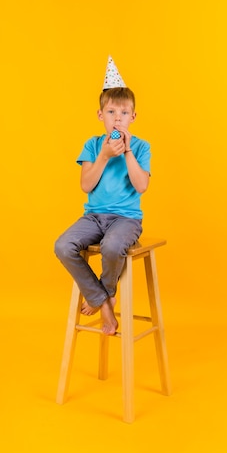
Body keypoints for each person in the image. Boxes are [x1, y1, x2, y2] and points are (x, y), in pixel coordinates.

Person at [54, 58, 151, 336]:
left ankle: (105, 293)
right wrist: (105, 156)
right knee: (63, 245)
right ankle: (104, 302)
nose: (117, 118)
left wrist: (128, 152)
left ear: (133, 117)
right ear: (100, 115)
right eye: (111, 111)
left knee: (111, 246)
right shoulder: (93, 145)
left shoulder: (142, 147)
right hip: (94, 217)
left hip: (126, 219)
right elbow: (86, 184)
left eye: (123, 112)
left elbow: (141, 185)